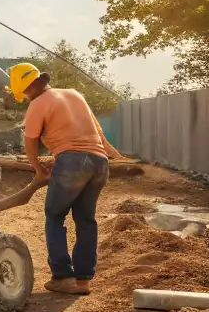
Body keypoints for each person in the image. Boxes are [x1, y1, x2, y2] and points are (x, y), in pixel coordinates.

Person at [9, 62, 127, 297]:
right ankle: (82, 281)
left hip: (72, 163)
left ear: (27, 89)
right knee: (85, 219)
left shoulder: (37, 104)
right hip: (99, 163)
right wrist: (116, 157)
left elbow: (30, 143)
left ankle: (62, 276)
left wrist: (38, 169)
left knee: (54, 215)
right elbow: (99, 135)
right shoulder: (75, 94)